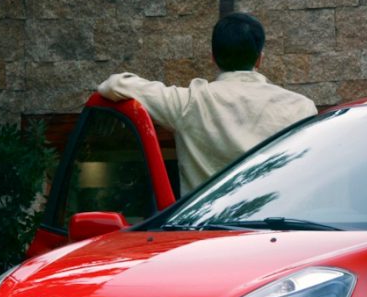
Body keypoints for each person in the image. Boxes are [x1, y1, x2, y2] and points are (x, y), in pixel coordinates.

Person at [97, 12, 317, 193]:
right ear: (260, 58)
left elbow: (114, 85)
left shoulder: (189, 103)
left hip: (203, 239)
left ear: (212, 57)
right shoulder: (301, 109)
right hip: (278, 238)